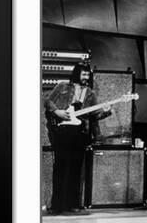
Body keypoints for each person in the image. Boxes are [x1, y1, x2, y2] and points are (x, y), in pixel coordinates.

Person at [44, 62, 111, 214]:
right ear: (77, 73)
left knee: (75, 170)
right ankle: (56, 205)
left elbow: (95, 115)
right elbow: (47, 101)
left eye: (88, 74)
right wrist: (57, 112)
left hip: (80, 133)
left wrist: (107, 111)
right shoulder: (62, 87)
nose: (86, 77)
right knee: (60, 168)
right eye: (84, 74)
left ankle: (73, 203)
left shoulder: (90, 93)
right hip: (61, 131)